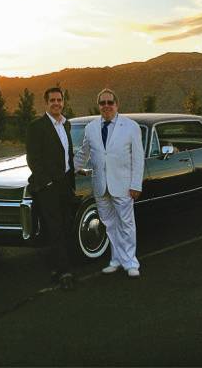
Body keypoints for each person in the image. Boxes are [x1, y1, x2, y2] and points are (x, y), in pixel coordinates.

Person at [74, 88, 145, 278]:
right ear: (98, 105)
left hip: (123, 185)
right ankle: (115, 260)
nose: (106, 106)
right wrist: (67, 170)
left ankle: (131, 263)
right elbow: (83, 154)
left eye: (110, 102)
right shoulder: (91, 128)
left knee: (126, 224)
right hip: (100, 185)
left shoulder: (130, 126)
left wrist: (136, 184)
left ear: (116, 104)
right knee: (110, 225)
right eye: (102, 103)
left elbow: (138, 158)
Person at [26, 87, 76, 290]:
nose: (56, 103)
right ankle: (64, 272)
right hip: (48, 186)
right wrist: (46, 182)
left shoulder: (66, 124)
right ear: (46, 103)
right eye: (52, 100)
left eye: (59, 99)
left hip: (65, 183)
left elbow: (67, 155)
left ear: (63, 102)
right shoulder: (37, 126)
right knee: (54, 228)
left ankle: (57, 266)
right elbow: (33, 158)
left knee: (65, 225)